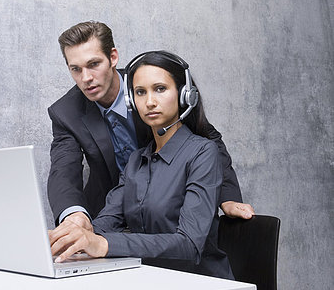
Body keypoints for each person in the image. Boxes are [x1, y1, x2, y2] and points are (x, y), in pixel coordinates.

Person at [49, 51, 236, 290]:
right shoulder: (137, 162)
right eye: (140, 92)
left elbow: (189, 244)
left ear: (185, 95)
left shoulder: (202, 153)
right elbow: (103, 224)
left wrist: (102, 245)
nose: (149, 101)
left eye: (160, 89)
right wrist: (74, 237)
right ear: (131, 101)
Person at [47, 21, 254, 229]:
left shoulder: (149, 85)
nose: (86, 78)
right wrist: (73, 214)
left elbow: (206, 137)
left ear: (112, 57)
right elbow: (63, 170)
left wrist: (227, 196)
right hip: (110, 218)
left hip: (169, 213)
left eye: (94, 64)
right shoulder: (65, 112)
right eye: (76, 69)